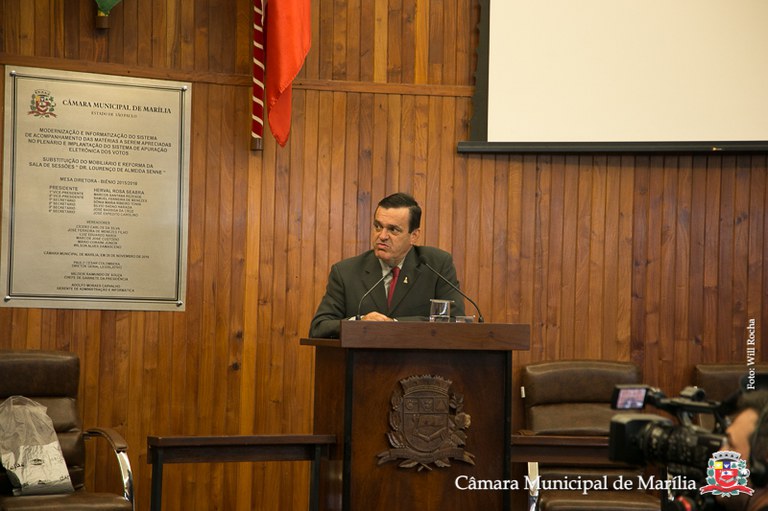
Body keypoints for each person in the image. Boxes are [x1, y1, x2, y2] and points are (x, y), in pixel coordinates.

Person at [309, 192, 466, 338]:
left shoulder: (436, 265)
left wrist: (395, 325)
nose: (382, 236)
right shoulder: (346, 272)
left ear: (414, 236)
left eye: (393, 229)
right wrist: (359, 322)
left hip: (419, 364)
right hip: (362, 364)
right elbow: (319, 327)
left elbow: (454, 320)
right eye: (378, 226)